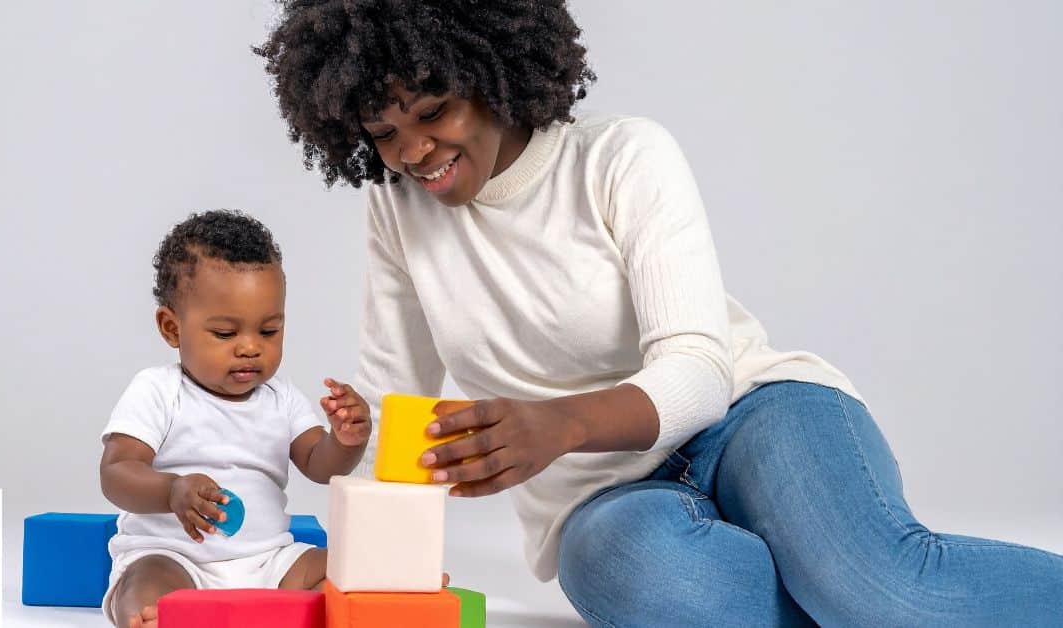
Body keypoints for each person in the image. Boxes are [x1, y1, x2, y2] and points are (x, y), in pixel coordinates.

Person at [257, 2, 1063, 625]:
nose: (412, 151)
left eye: (433, 111)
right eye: (385, 131)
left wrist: (557, 426)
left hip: (752, 416)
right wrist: (335, 548)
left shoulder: (621, 158)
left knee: (886, 594)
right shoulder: (398, 210)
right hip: (608, 505)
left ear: (489, 71)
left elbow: (700, 371)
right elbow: (397, 397)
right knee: (634, 577)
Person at [98, 210, 372, 627]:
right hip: (176, 558)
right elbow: (116, 471)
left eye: (268, 331)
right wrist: (172, 490)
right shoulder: (158, 390)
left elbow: (320, 464)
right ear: (172, 329)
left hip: (269, 563)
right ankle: (156, 617)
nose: (250, 348)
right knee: (146, 582)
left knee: (346, 563)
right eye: (226, 334)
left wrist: (346, 440)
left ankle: (393, 594)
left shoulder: (281, 398)